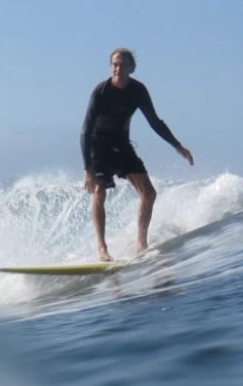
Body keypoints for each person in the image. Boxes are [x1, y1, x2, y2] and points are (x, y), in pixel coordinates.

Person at [80, 48, 194, 261]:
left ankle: (141, 244)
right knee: (99, 191)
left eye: (123, 64)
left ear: (132, 68)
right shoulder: (101, 91)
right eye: (114, 64)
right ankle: (102, 249)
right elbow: (85, 130)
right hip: (98, 146)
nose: (118, 68)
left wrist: (177, 146)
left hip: (122, 145)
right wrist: (88, 169)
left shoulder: (138, 90)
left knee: (149, 193)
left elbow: (154, 122)